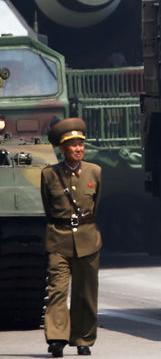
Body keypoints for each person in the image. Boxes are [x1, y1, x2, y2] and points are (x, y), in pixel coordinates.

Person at [40, 118, 102, 357]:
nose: (78, 149)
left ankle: (83, 338)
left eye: (81, 144)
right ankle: (56, 338)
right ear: (62, 148)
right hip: (59, 239)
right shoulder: (49, 176)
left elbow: (97, 206)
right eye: (72, 145)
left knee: (86, 292)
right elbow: (49, 209)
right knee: (57, 289)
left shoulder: (95, 172)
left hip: (88, 240)